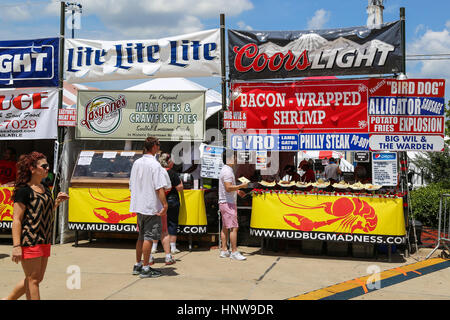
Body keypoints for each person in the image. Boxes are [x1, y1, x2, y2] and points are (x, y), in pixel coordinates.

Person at [3, 152, 69, 300]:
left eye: (48, 166)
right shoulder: (23, 191)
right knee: (33, 280)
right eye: (44, 166)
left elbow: (42, 212)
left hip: (44, 239)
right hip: (30, 240)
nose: (47, 169)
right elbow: (17, 220)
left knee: (36, 279)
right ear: (32, 169)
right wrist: (16, 246)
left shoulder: (44, 187)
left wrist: (57, 202)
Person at [130, 137, 168, 278]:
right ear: (153, 146)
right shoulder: (155, 165)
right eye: (158, 145)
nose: (159, 147)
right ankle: (146, 268)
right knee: (148, 237)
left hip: (139, 205)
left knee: (141, 236)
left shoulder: (137, 163)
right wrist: (165, 205)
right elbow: (159, 187)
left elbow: (131, 185)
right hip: (150, 205)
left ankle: (138, 264)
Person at [219, 150, 248, 261]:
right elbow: (228, 187)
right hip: (228, 203)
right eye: (235, 157)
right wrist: (241, 186)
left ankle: (224, 250)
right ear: (230, 158)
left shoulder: (226, 170)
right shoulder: (227, 171)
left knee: (225, 227)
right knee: (234, 227)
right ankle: (234, 251)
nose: (236, 159)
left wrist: (237, 191)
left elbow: (228, 187)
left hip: (225, 201)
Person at [159, 152, 183, 255]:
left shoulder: (157, 172)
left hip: (159, 201)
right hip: (172, 200)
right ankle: (172, 247)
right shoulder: (173, 173)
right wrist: (180, 182)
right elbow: (179, 188)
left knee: (158, 224)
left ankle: (154, 247)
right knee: (172, 223)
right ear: (169, 162)